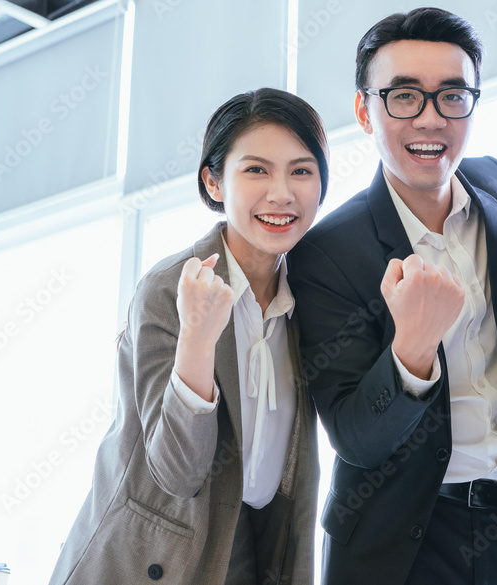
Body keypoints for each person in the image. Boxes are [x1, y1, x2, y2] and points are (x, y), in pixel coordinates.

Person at [288, 7, 497, 585]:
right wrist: (411, 351)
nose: (431, 120)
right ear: (365, 110)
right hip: (397, 547)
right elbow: (355, 438)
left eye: (452, 96)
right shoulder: (327, 252)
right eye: (404, 97)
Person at [49, 88, 325, 585]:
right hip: (150, 560)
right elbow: (176, 472)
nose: (282, 192)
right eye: (256, 170)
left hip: (251, 552)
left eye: (301, 171)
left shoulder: (310, 297)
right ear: (214, 182)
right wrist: (198, 337)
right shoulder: (170, 288)